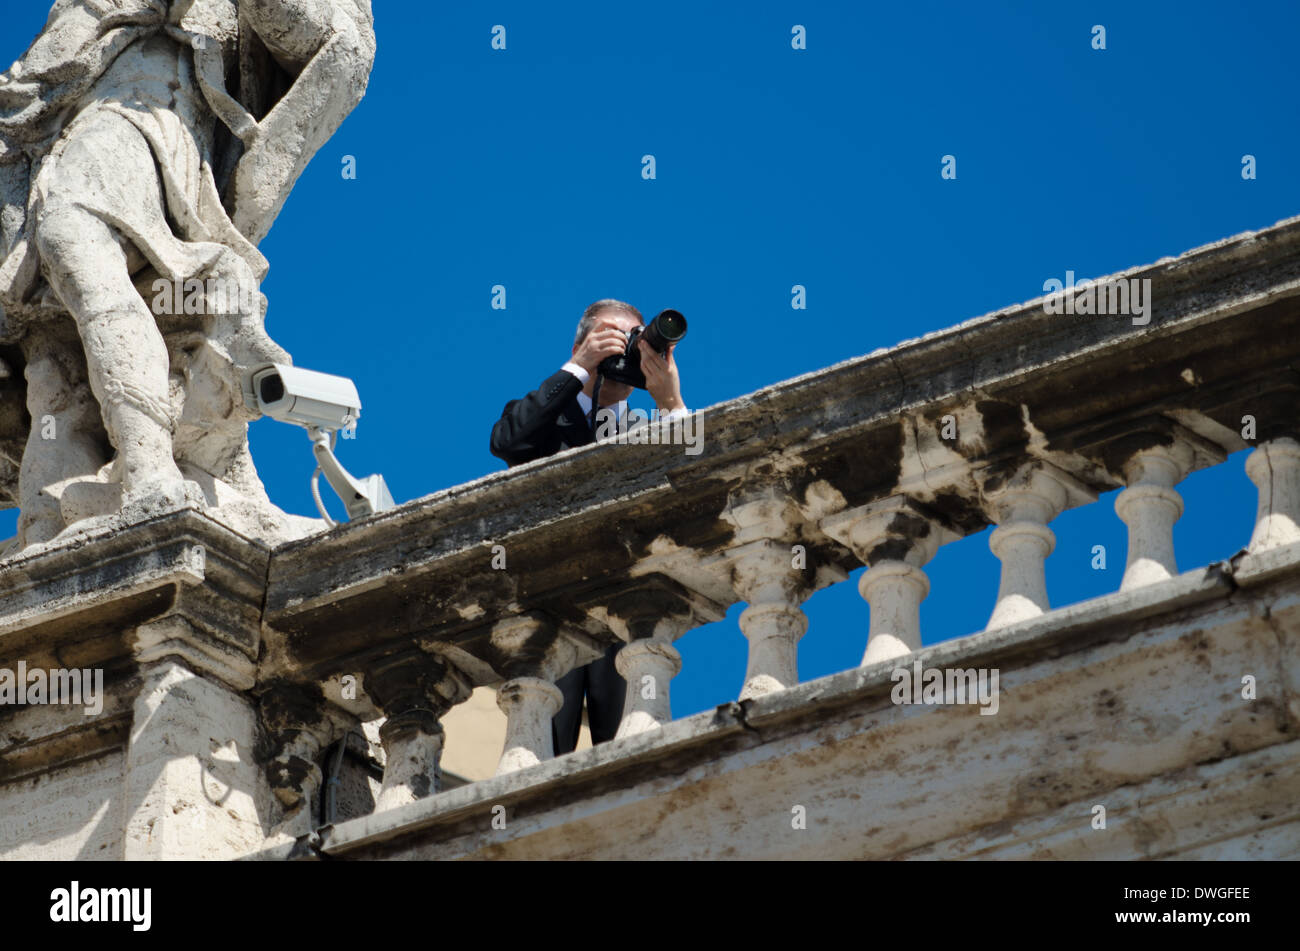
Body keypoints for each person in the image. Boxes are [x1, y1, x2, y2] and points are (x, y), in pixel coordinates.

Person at [489, 298, 687, 753]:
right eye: (610, 337)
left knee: (628, 751)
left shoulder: (648, 428)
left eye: (634, 341)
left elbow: (699, 482)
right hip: (549, 604)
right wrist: (579, 367)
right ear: (581, 343)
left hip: (626, 608)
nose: (623, 351)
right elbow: (508, 441)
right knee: (539, 752)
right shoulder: (541, 413)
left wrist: (671, 402)